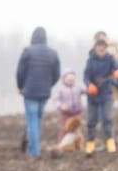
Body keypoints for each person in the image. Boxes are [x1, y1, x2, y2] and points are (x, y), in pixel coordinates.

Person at [16, 26, 61, 156]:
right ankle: (34, 147)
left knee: (32, 120)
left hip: (30, 91)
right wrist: (49, 84)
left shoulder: (27, 51)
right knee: (37, 119)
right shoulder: (53, 53)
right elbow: (56, 74)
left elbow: (20, 71)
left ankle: (34, 151)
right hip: (44, 92)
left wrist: (20, 86)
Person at [83, 37, 118, 154]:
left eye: (103, 47)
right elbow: (86, 76)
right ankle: (90, 144)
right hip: (93, 96)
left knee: (107, 119)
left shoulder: (110, 59)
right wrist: (89, 85)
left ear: (106, 48)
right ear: (95, 48)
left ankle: (110, 142)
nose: (101, 48)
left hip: (106, 94)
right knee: (91, 120)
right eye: (99, 46)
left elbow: (117, 69)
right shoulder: (90, 61)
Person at [54, 70, 87, 142]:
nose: (71, 81)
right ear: (64, 79)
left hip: (77, 112)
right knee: (64, 128)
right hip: (66, 113)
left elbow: (85, 91)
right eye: (69, 80)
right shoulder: (60, 89)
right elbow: (56, 100)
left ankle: (78, 143)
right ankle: (62, 143)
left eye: (72, 80)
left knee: (77, 128)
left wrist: (89, 89)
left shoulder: (78, 86)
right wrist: (61, 106)